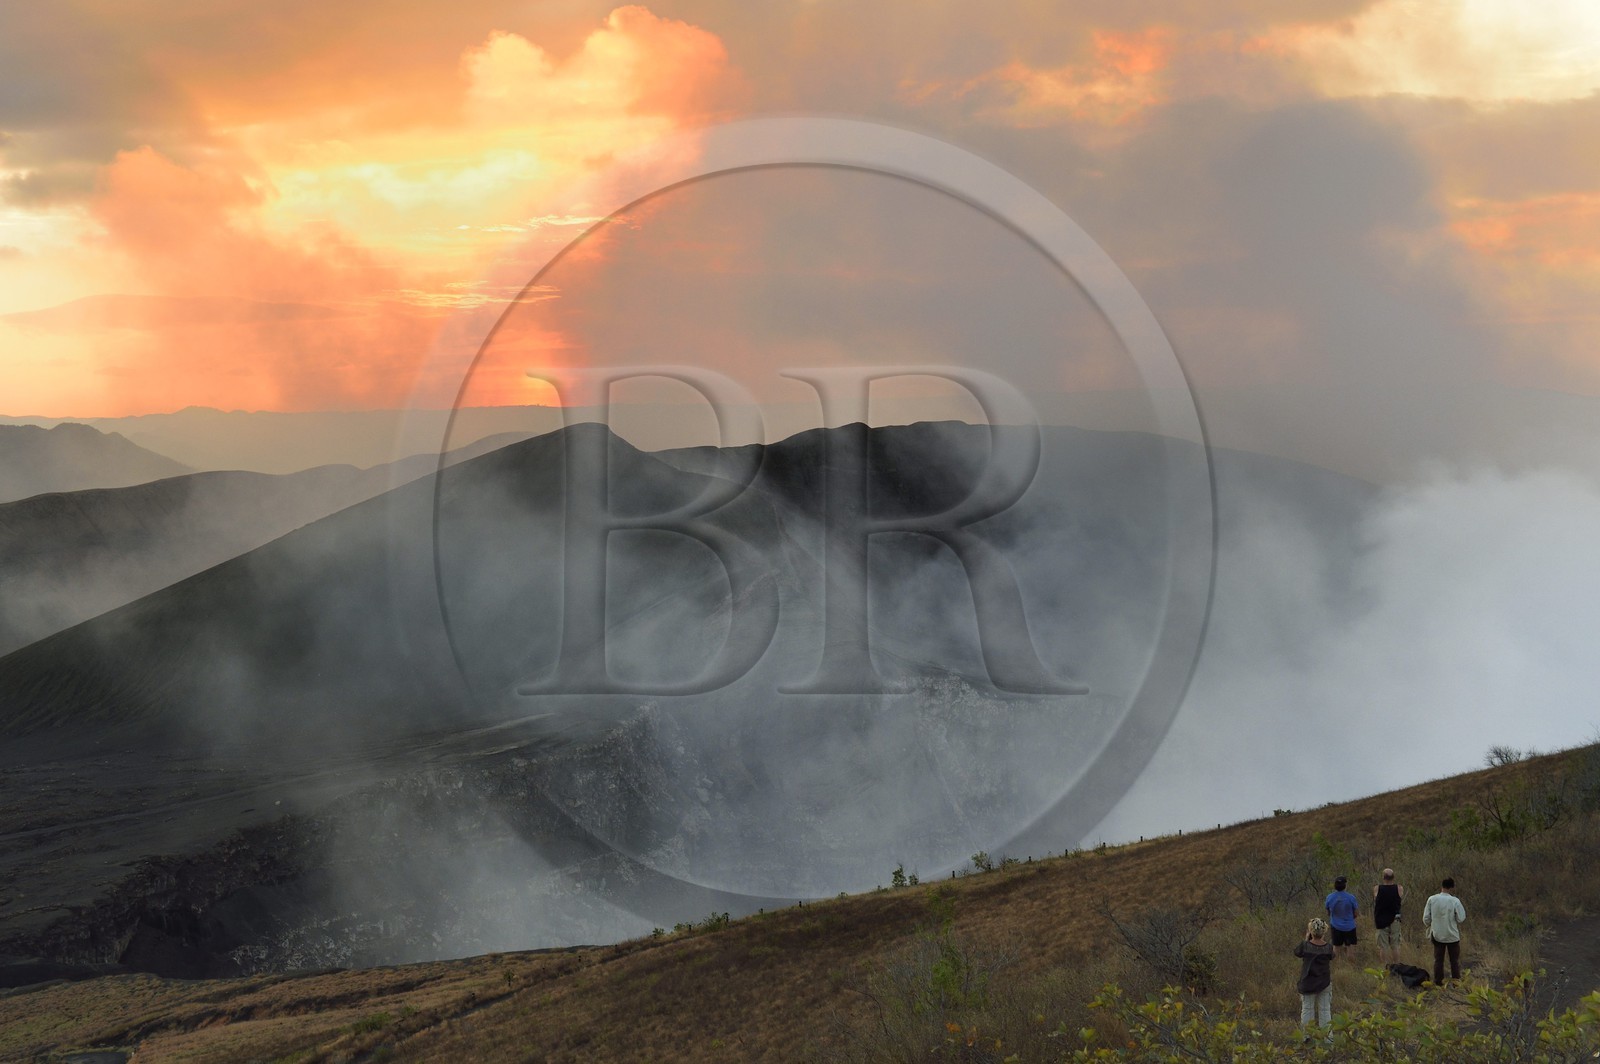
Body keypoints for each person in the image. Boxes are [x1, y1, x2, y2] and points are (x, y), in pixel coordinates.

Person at [1295, 918, 1335, 1039]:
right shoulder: (1328, 948)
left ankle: (1307, 1038)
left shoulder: (1305, 946)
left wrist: (1307, 938)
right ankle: (1327, 1039)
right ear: (1324, 932)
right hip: (1324, 982)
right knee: (1325, 1010)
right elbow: (1332, 956)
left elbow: (1297, 952)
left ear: (1311, 931)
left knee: (1307, 1009)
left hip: (1308, 982)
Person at [1422, 877, 1467, 984]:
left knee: (1438, 960)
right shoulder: (1455, 901)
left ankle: (1438, 982)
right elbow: (1461, 918)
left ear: (1441, 886)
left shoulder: (1432, 899)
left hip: (1437, 934)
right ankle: (1456, 983)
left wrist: (1432, 925)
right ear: (1452, 887)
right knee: (1454, 961)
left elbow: (1426, 918)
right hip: (1452, 935)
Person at [1373, 868, 1405, 964]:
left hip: (1381, 920)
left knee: (1383, 946)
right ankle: (1396, 965)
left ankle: (1385, 967)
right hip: (1395, 919)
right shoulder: (1399, 888)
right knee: (1395, 945)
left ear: (1383, 877)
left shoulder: (1377, 888)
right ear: (1393, 877)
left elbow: (1375, 899)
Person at [1324, 875, 1360, 961]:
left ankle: (1336, 967)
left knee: (1336, 948)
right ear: (1345, 885)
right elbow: (1355, 914)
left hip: (1336, 926)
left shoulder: (1330, 897)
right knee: (1350, 949)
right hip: (1349, 927)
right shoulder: (1351, 897)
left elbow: (1328, 913)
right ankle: (1351, 969)